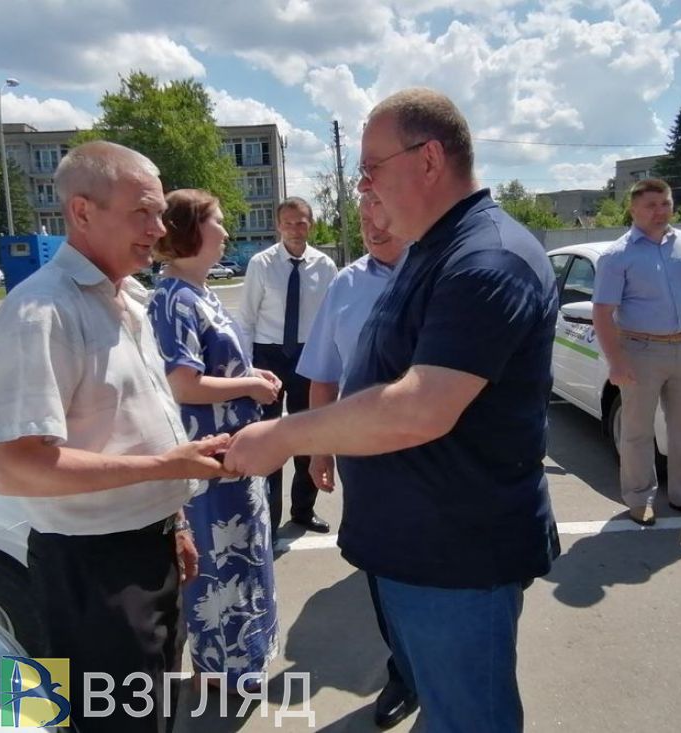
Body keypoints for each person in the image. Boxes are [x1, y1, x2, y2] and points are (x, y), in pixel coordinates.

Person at [224, 88, 560, 732]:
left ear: (429, 159)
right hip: (418, 549)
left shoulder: (485, 258)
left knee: (469, 720)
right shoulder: (433, 249)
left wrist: (284, 436)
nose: (364, 187)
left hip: (458, 560)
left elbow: (419, 409)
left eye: (372, 168)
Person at [0, 141, 232, 733]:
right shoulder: (41, 311)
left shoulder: (132, 299)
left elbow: (127, 425)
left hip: (147, 550)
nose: (158, 228)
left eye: (161, 213)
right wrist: (165, 469)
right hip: (91, 572)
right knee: (109, 723)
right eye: (141, 212)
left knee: (154, 713)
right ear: (81, 211)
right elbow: (15, 468)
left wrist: (173, 523)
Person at [147, 188, 280, 693]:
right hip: (209, 465)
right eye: (217, 222)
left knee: (243, 557)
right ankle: (219, 671)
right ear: (189, 231)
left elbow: (213, 367)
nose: (225, 232)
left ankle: (240, 662)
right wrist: (247, 384)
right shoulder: (173, 298)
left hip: (232, 459)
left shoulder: (198, 293)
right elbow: (183, 383)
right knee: (218, 568)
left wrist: (249, 372)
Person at [295, 198, 414, 729]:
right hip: (364, 456)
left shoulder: (441, 270)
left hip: (435, 455)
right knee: (382, 567)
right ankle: (406, 672)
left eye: (381, 214)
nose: (370, 226)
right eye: (362, 218)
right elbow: (323, 375)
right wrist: (320, 448)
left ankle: (442, 670)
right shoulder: (345, 283)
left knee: (439, 569)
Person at [591, 178, 681, 526]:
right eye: (650, 205)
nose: (660, 211)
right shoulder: (618, 255)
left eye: (665, 203)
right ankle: (640, 499)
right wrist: (616, 362)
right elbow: (602, 312)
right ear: (633, 209)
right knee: (637, 430)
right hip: (639, 350)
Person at [239, 197, 337, 537]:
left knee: (305, 435)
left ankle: (303, 510)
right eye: (289, 222)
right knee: (269, 438)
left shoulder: (325, 266)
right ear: (278, 226)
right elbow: (248, 318)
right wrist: (248, 368)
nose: (296, 229)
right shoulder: (261, 264)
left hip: (308, 358)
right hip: (268, 357)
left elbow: (331, 318)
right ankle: (268, 514)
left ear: (311, 224)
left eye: (302, 222)